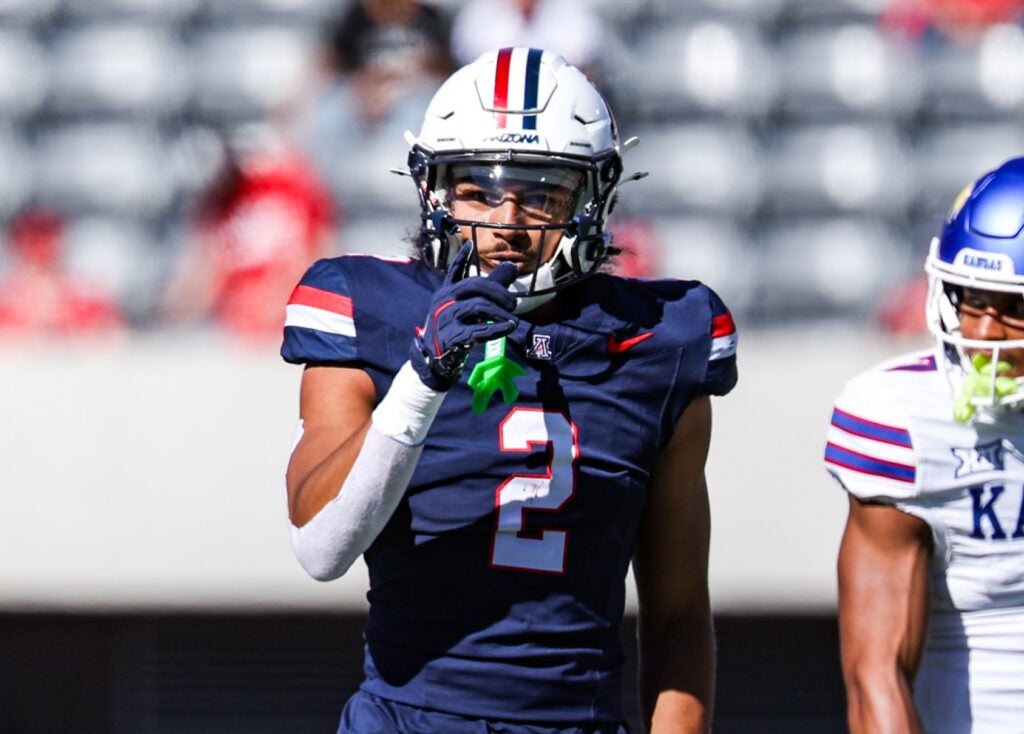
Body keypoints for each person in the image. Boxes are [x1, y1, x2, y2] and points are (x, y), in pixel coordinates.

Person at [281, 47, 738, 733]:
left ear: (595, 198)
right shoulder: (368, 309)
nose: (509, 224)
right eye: (479, 191)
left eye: (543, 193)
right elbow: (321, 549)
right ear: (433, 190)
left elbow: (676, 613)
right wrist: (423, 378)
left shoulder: (661, 341)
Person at [826, 157, 1024, 733]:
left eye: (1014, 310)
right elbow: (876, 671)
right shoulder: (907, 421)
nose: (983, 334)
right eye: (972, 300)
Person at [160, 123, 334, 339]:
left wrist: (280, 298)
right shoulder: (212, 208)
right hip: (234, 329)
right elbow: (202, 278)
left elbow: (318, 249)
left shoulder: (282, 184)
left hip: (290, 318)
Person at [0, 207, 124, 336]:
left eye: (47, 240)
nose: (41, 249)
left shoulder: (88, 299)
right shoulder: (6, 304)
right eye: (33, 241)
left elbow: (116, 337)